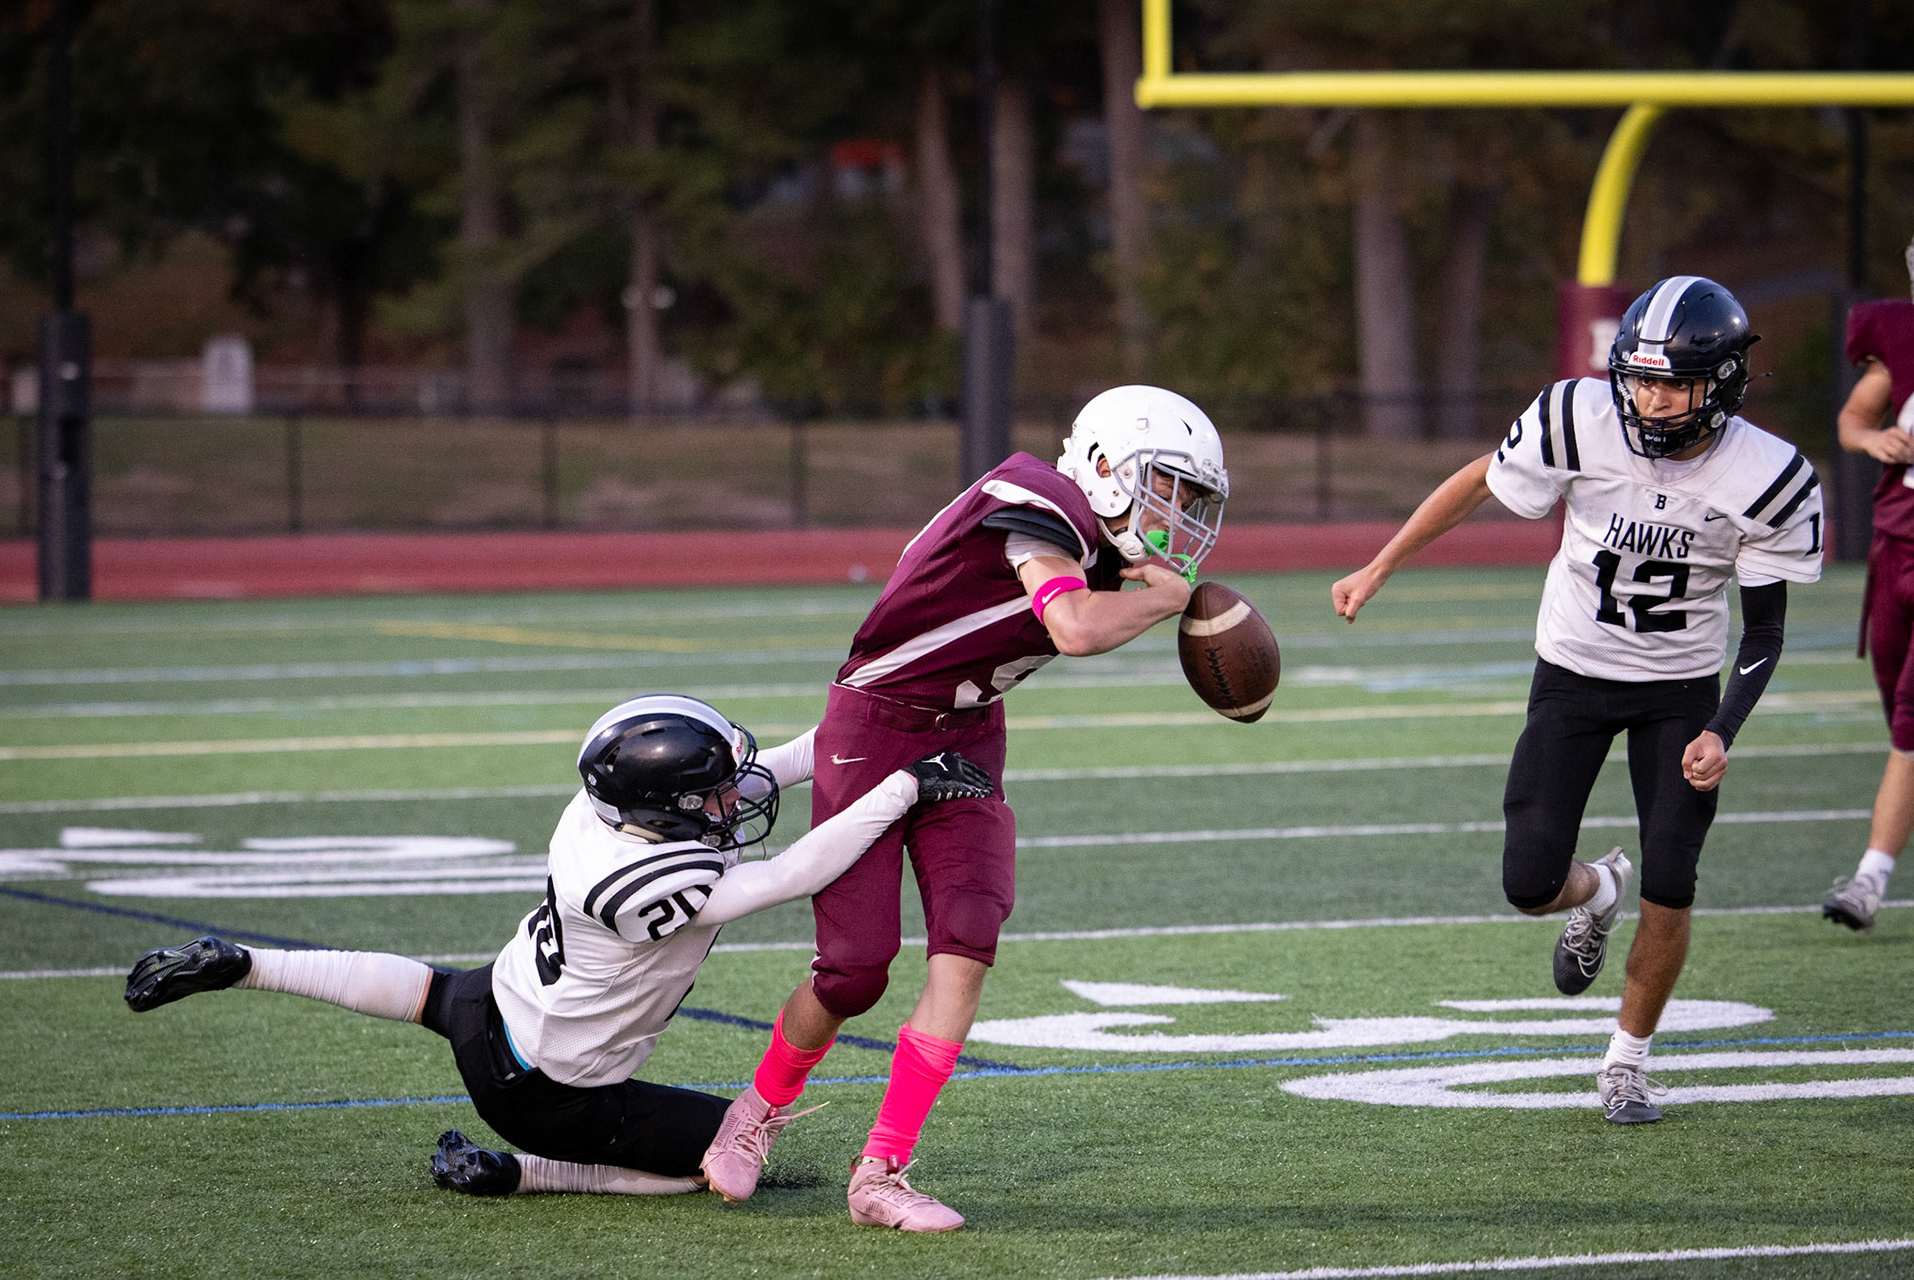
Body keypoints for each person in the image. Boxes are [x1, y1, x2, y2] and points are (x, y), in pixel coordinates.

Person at [699, 385, 1228, 1231]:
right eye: (1167, 486)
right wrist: (1165, 600)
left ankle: (881, 1172)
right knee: (855, 968)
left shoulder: (1094, 536)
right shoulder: (1036, 500)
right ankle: (754, 1110)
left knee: (968, 941)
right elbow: (1077, 629)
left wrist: (1158, 596)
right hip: (874, 724)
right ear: (1103, 468)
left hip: (968, 736)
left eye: (1191, 499)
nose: (1178, 514)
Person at [123, 694, 991, 1197]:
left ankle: (245, 962)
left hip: (496, 1004)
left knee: (427, 993)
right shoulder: (643, 883)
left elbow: (777, 769)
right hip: (552, 1093)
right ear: (663, 809)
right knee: (720, 1164)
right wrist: (907, 787)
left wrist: (874, 733)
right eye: (716, 792)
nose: (735, 797)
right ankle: (521, 1173)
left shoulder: (605, 814)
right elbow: (795, 872)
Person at [1331, 277, 1823, 1125]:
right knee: (1526, 880)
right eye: (1639, 378)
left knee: (1673, 878)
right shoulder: (1577, 417)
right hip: (1573, 669)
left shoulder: (1767, 475)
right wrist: (1382, 563)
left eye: (1674, 383)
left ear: (1725, 382)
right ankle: (1596, 892)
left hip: (1679, 688)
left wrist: (1722, 728)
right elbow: (1482, 479)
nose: (1652, 399)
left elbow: (1765, 632)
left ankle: (1627, 1064)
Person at [1824, 239, 1914, 932]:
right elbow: (1854, 418)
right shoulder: (1903, 342)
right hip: (1895, 544)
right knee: (1897, 710)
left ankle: (1868, 880)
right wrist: (1871, 441)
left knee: (1910, 728)